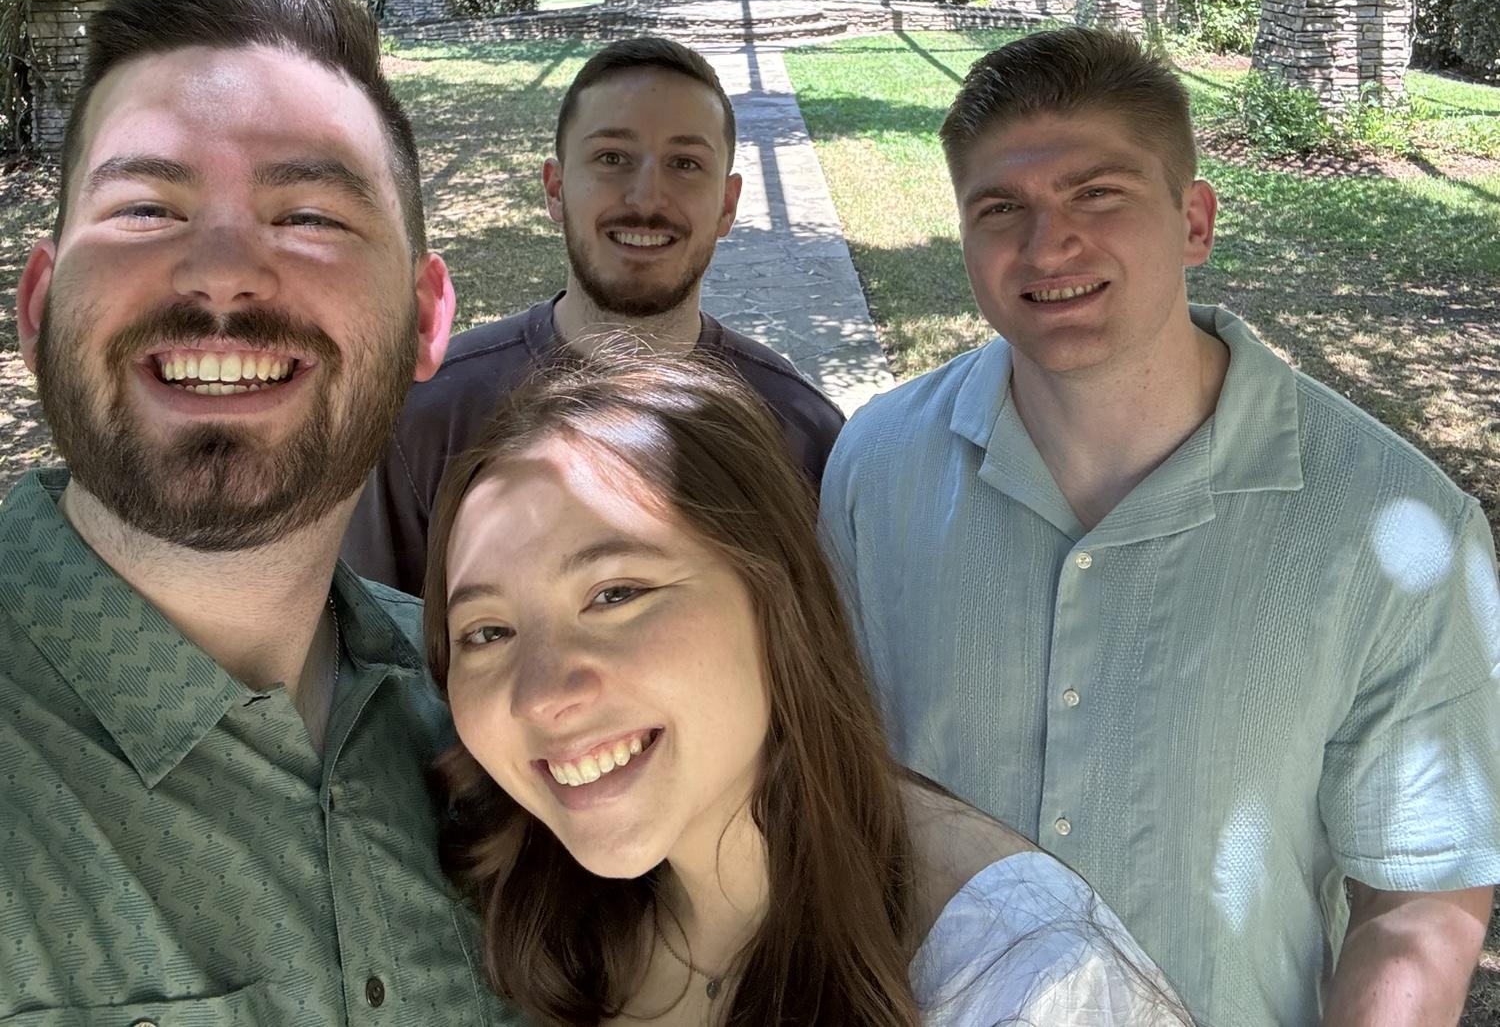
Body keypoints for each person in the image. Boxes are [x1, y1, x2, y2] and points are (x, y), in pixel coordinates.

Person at [820, 25, 1500, 1027]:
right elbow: (836, 781)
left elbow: (1417, 896)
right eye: (1001, 207)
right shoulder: (875, 468)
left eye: (1099, 194)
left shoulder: (1393, 532)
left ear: (1194, 221)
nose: (1049, 245)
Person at [0, 0, 521, 1022]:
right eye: (146, 208)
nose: (223, 272)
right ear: (40, 307)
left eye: (312, 217)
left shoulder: (503, 724)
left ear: (428, 320)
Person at [420, 351, 1187, 1026]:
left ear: (774, 598)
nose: (541, 696)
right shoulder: (529, 914)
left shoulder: (1030, 986)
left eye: (615, 594)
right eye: (486, 633)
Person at [343, 35, 843, 594]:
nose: (647, 198)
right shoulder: (431, 417)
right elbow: (382, 652)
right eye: (612, 158)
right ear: (556, 190)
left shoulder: (801, 434)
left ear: (726, 205)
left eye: (685, 163)